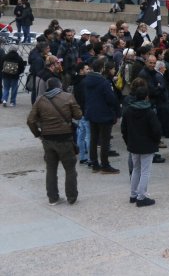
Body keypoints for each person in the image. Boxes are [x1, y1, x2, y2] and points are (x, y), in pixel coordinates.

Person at [27, 77, 82, 205]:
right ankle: (71, 197)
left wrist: (38, 134)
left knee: (51, 169)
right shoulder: (68, 97)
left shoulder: (40, 99)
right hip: (65, 138)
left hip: (47, 138)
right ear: (60, 85)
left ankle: (53, 198)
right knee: (70, 169)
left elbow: (30, 120)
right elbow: (78, 115)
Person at [121, 85, 161, 207]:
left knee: (136, 169)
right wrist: (156, 141)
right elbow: (156, 130)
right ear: (147, 97)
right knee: (145, 171)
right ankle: (141, 196)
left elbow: (124, 129)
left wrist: (128, 141)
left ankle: (133, 194)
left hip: (133, 144)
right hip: (147, 145)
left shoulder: (128, 110)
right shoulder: (149, 112)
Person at [84, 57, 121, 174]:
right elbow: (111, 99)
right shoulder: (103, 82)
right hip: (104, 114)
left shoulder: (86, 80)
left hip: (91, 112)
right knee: (105, 140)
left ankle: (94, 163)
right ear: (102, 68)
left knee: (94, 139)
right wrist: (116, 110)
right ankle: (105, 164)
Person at [72, 63, 91, 165]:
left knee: (81, 134)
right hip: (86, 111)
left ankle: (82, 157)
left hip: (80, 111)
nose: (88, 71)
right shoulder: (84, 82)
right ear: (81, 70)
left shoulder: (76, 81)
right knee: (88, 136)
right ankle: (90, 158)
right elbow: (86, 98)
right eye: (86, 69)